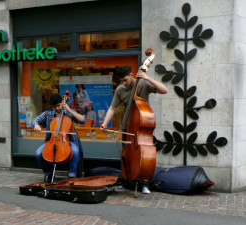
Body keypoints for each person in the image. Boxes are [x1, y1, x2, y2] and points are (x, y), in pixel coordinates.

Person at [101, 65, 168, 194]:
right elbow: (112, 108)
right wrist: (105, 123)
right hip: (127, 125)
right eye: (121, 81)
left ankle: (144, 183)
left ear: (131, 74)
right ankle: (127, 182)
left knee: (143, 156)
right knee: (127, 155)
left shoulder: (143, 84)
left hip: (141, 124)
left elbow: (164, 90)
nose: (124, 83)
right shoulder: (121, 89)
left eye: (125, 80)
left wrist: (147, 77)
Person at [31, 94, 86, 182]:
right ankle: (48, 172)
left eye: (58, 105)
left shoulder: (68, 112)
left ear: (62, 103)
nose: (56, 108)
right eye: (54, 106)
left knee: (75, 151)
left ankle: (72, 176)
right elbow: (34, 120)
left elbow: (83, 120)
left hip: (67, 141)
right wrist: (36, 125)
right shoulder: (47, 113)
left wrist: (69, 110)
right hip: (51, 141)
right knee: (38, 153)